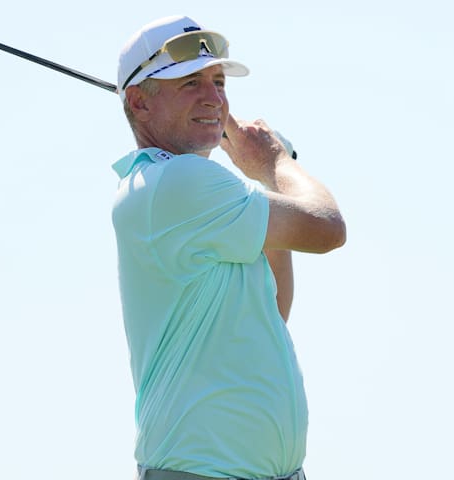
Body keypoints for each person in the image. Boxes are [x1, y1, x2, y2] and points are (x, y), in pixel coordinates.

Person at [111, 15, 346, 480]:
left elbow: (273, 308)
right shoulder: (178, 182)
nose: (214, 98)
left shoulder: (202, 199)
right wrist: (275, 162)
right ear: (139, 102)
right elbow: (327, 228)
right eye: (190, 83)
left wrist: (261, 177)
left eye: (218, 82)